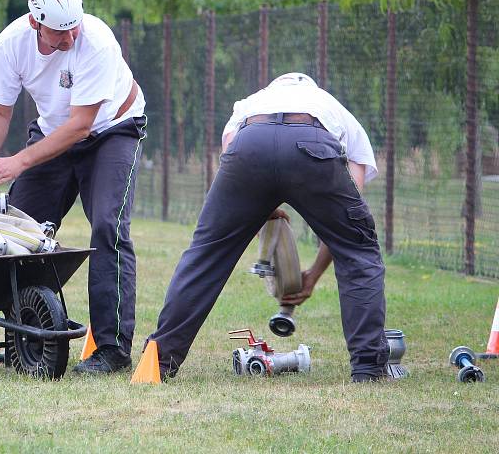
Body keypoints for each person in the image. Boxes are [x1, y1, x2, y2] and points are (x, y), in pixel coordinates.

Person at [145, 72, 390, 382]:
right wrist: (312, 275)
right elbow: (347, 228)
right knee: (359, 251)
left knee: (206, 254)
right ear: (310, 87)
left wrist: (263, 207)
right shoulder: (334, 108)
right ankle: (369, 369)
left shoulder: (250, 103)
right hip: (311, 140)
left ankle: (157, 361)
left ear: (276, 86)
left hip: (249, 142)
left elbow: (230, 155)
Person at [0, 0, 146, 374]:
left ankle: (112, 349)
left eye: (72, 27)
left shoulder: (95, 41)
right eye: (58, 32)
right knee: (21, 228)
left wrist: (17, 162)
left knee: (107, 227)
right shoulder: (12, 44)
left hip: (112, 130)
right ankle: (25, 332)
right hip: (54, 133)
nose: (68, 39)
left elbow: (81, 125)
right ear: (34, 23)